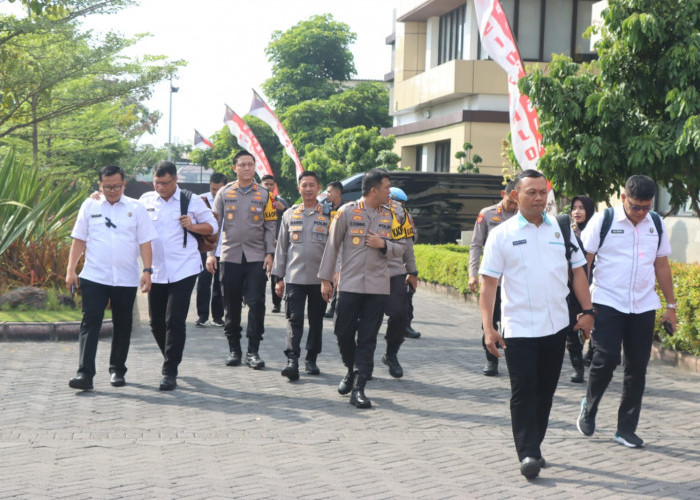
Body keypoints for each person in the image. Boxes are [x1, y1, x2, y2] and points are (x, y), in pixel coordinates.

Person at [479, 169, 594, 479]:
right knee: (524, 391)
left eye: (543, 192)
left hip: (556, 326)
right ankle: (527, 451)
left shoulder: (561, 230)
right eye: (532, 192)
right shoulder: (501, 234)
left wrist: (588, 311)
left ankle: (535, 444)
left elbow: (579, 272)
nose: (539, 197)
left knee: (545, 391)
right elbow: (488, 284)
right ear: (516, 195)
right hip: (518, 328)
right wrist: (488, 327)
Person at [577, 175, 676, 449]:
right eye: (635, 207)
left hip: (643, 305)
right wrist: (584, 308)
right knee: (606, 359)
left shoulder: (655, 223)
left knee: (637, 368)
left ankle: (625, 429)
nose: (641, 213)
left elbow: (662, 266)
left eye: (646, 207)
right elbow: (583, 264)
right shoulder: (603, 220)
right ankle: (590, 405)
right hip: (607, 302)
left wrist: (671, 306)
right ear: (623, 198)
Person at [318, 168, 405, 409]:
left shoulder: (395, 213)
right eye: (387, 187)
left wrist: (384, 244)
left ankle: (359, 385)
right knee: (342, 332)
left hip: (378, 286)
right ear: (374, 190)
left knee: (367, 338)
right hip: (349, 283)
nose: (390, 191)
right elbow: (332, 246)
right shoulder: (346, 211)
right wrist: (326, 280)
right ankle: (350, 368)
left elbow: (403, 247)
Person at [66, 165, 157, 391]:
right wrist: (70, 270)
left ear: (124, 184)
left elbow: (145, 241)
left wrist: (147, 270)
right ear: (100, 185)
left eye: (116, 186)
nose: (112, 190)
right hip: (94, 276)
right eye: (107, 187)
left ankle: (117, 369)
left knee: (123, 324)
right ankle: (84, 374)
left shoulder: (136, 208)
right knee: (90, 322)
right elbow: (79, 239)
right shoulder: (90, 205)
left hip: (125, 278)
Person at [139, 161, 218, 391]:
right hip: (156, 270)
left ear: (175, 180)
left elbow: (212, 226)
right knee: (156, 323)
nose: (160, 187)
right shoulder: (145, 201)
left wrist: (193, 226)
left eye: (165, 183)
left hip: (184, 269)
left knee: (174, 321)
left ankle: (169, 371)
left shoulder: (190, 200)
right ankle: (170, 357)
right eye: (157, 182)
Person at [207, 150, 277, 370]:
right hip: (230, 256)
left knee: (257, 303)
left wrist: (270, 253)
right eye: (243, 164)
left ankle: (253, 352)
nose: (247, 168)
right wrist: (210, 254)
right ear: (234, 168)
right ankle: (234, 350)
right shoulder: (224, 193)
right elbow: (214, 226)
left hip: (256, 257)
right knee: (231, 305)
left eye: (251, 164)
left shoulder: (265, 194)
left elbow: (270, 226)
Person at [272, 171, 331, 380]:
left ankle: (311, 359)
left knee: (316, 321)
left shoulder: (328, 214)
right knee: (293, 319)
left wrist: (332, 278)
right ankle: (292, 360)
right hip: (294, 277)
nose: (308, 189)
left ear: (318, 188)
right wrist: (279, 278)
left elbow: (335, 249)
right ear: (299, 188)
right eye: (304, 185)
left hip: (319, 279)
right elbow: (282, 249)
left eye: (312, 185)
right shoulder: (290, 214)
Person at [468, 181, 518, 376]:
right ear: (502, 194)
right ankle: (491, 361)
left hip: (514, 281)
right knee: (489, 321)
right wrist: (473, 274)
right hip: (492, 280)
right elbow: (475, 245)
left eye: (516, 203)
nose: (513, 207)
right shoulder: (487, 214)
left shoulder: (524, 216)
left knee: (512, 322)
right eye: (510, 202)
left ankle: (514, 360)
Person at [380, 186, 418, 378]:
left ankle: (391, 353)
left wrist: (412, 271)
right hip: (367, 273)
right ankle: (362, 363)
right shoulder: (359, 210)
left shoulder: (400, 213)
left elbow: (408, 244)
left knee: (400, 314)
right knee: (366, 320)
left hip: (395, 271)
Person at [565, 195, 596, 383]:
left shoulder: (598, 232)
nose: (577, 211)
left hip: (596, 286)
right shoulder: (566, 232)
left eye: (581, 208)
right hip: (571, 287)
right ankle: (577, 368)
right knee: (571, 327)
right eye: (574, 207)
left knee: (595, 327)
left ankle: (590, 355)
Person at [195, 172, 227, 328]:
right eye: (213, 189)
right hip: (206, 248)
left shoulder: (231, 200)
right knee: (203, 281)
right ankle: (202, 315)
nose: (215, 192)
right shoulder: (201, 200)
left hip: (224, 248)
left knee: (220, 284)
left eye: (218, 189)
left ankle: (218, 317)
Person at [261, 174, 289, 314]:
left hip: (277, 243)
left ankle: (276, 303)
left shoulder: (281, 201)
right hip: (259, 243)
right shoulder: (256, 200)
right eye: (266, 184)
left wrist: (283, 209)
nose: (269, 187)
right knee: (258, 274)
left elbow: (291, 219)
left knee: (275, 274)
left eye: (271, 184)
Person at [322, 181, 343, 319]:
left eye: (329, 191)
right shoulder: (326, 207)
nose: (327, 194)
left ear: (338, 192)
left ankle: (334, 306)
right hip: (326, 244)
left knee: (337, 275)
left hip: (341, 246)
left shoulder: (345, 208)